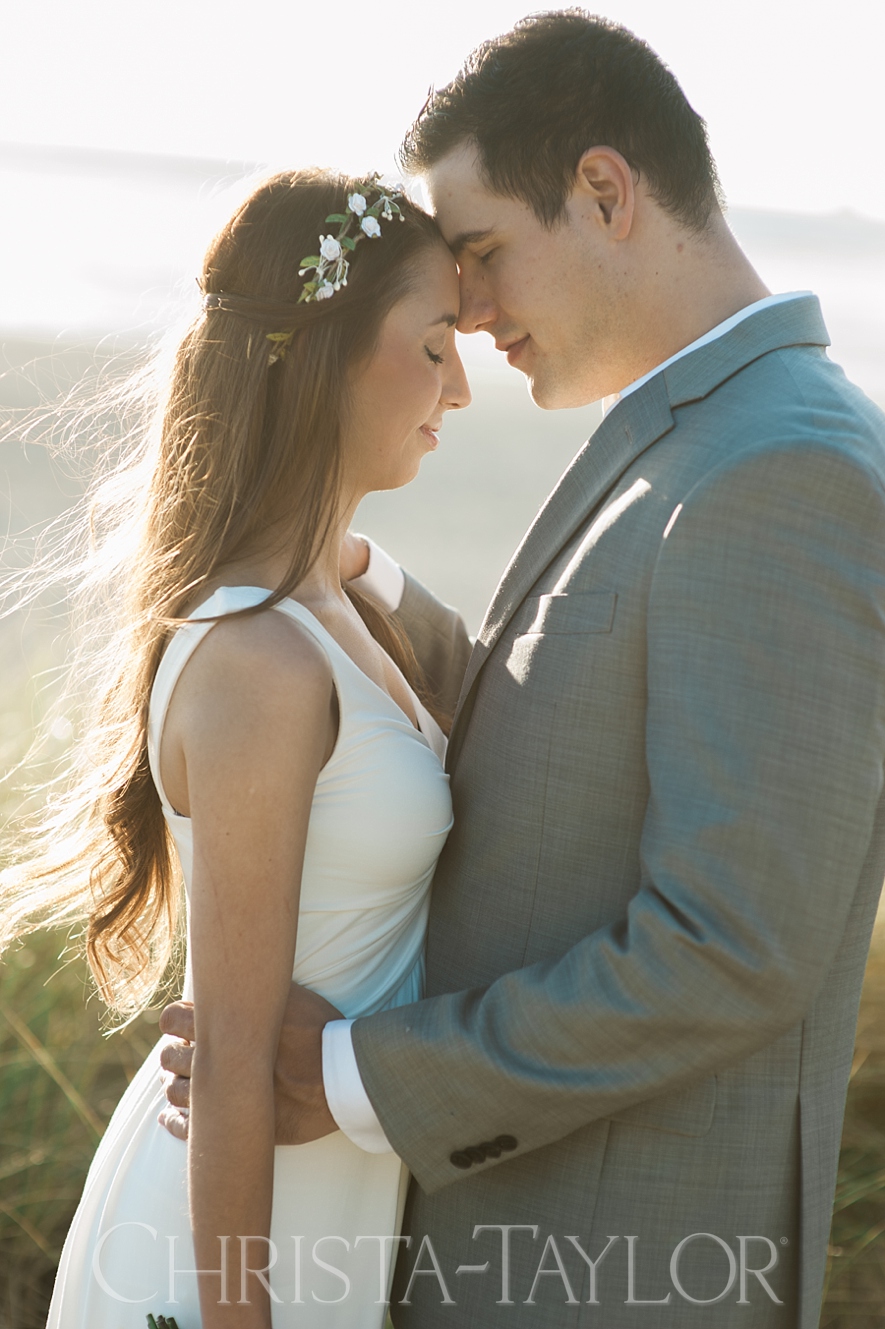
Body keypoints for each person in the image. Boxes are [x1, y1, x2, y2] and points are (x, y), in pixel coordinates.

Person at [155, 12, 885, 1328]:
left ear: (603, 191)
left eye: (482, 253)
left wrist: (358, 1076)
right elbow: (559, 709)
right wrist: (341, 569)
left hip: (614, 1272)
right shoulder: (700, 434)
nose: (471, 312)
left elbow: (734, 946)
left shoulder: (787, 470)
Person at [0, 168, 471, 1326]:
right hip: (235, 1255)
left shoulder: (336, 618)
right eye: (435, 341)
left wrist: (343, 556)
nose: (461, 386)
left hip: (337, 1207)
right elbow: (229, 1074)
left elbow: (474, 667)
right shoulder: (262, 665)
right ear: (325, 357)